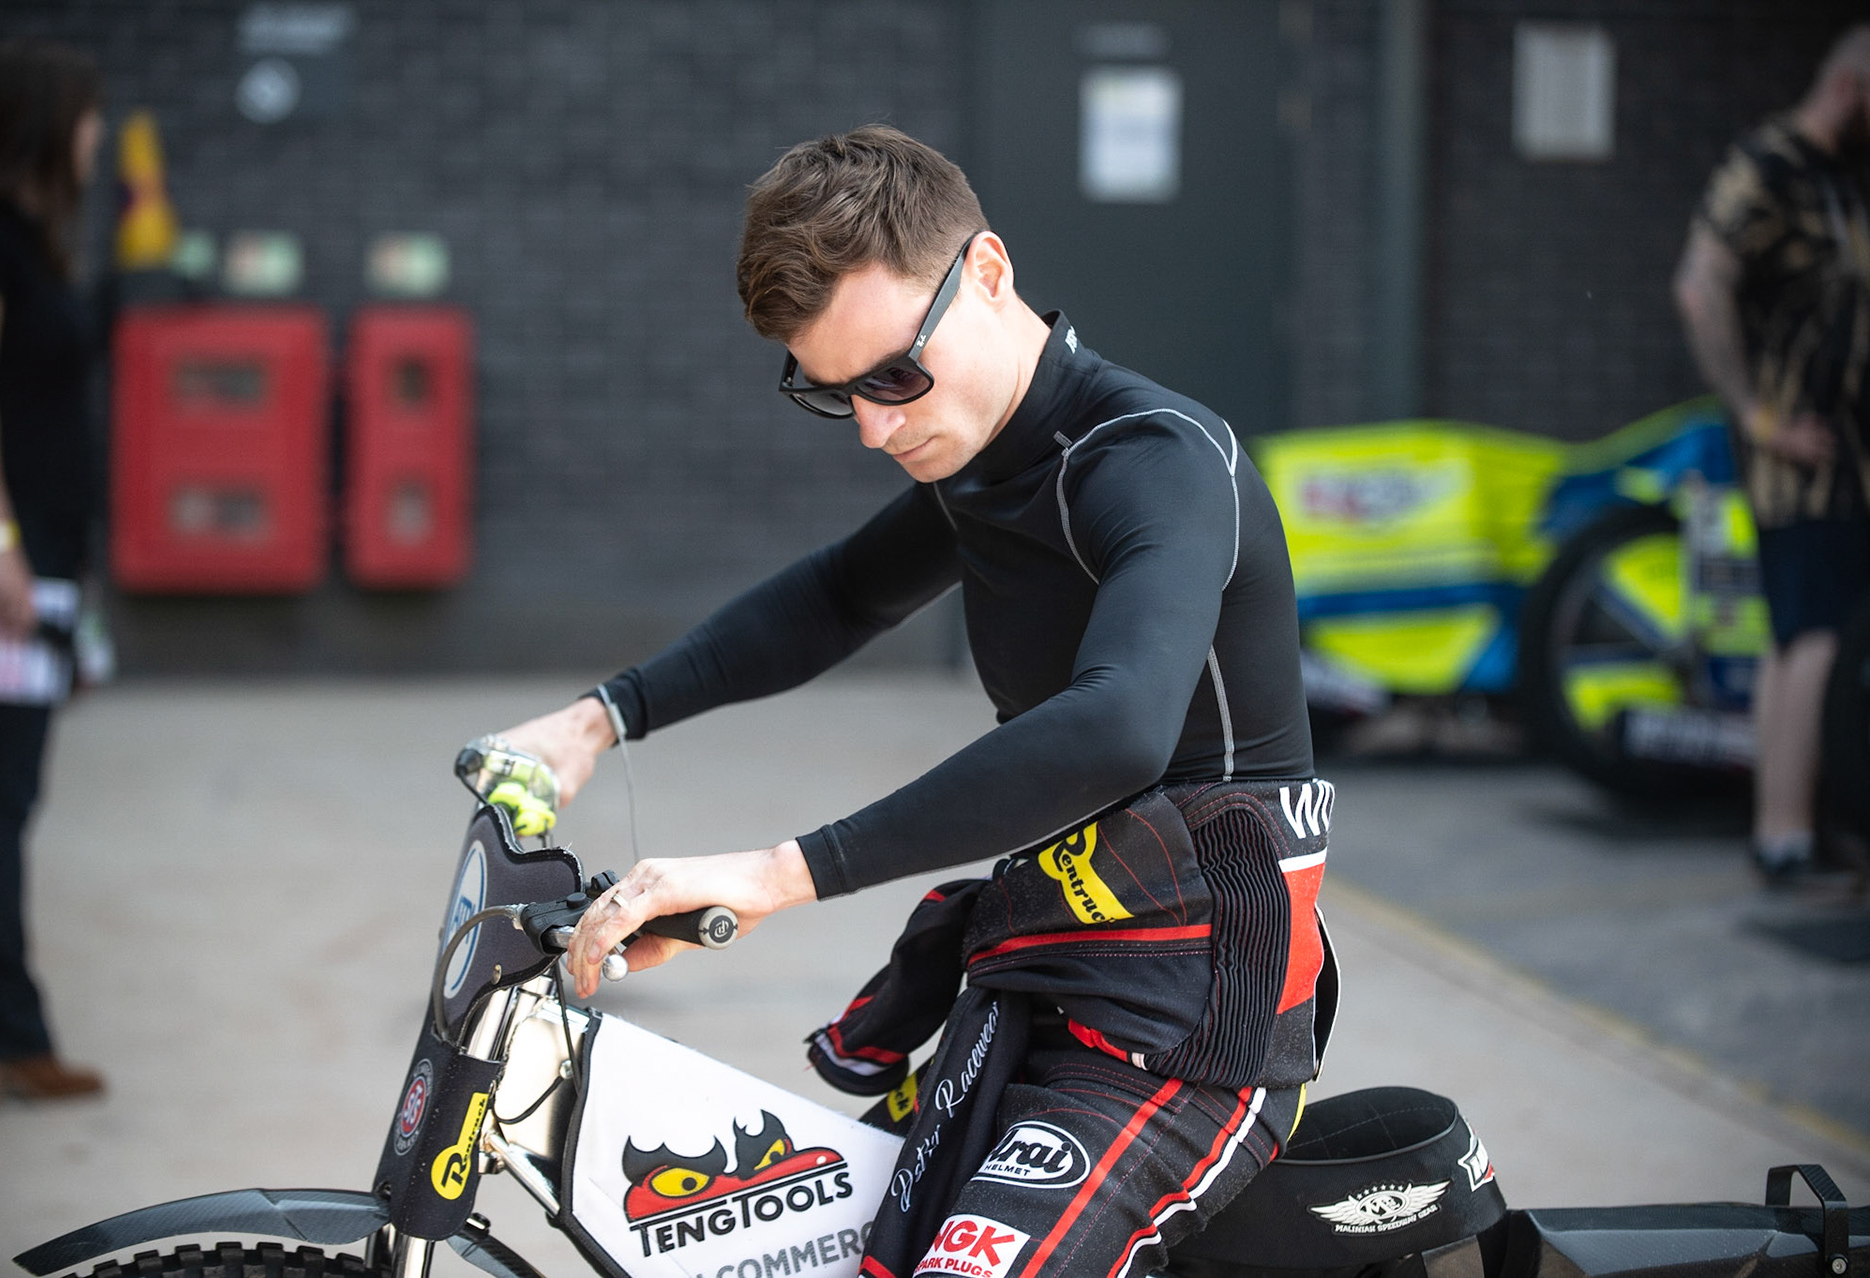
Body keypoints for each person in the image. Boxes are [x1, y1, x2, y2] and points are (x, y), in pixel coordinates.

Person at [498, 126, 1332, 1276]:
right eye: (831, 393)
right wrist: (599, 718)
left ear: (987, 274)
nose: (877, 428)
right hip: (1059, 958)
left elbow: (1118, 725)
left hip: (1191, 1017)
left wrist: (775, 874)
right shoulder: (982, 453)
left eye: (894, 375)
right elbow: (838, 597)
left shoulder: (1159, 460)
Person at [1674, 24, 1870, 885]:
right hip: (1802, 455)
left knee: (1818, 632)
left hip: (1844, 454)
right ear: (1852, 89)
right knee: (1810, 636)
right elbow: (1698, 283)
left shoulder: (1831, 174)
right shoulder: (1772, 163)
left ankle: (1801, 830)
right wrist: (1758, 415)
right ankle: (1784, 838)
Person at [0, 38, 106, 1102]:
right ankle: (0, 1037)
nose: (99, 138)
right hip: (0, 568)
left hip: (40, 561)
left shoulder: (32, 243)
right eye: (90, 120)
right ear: (48, 126)